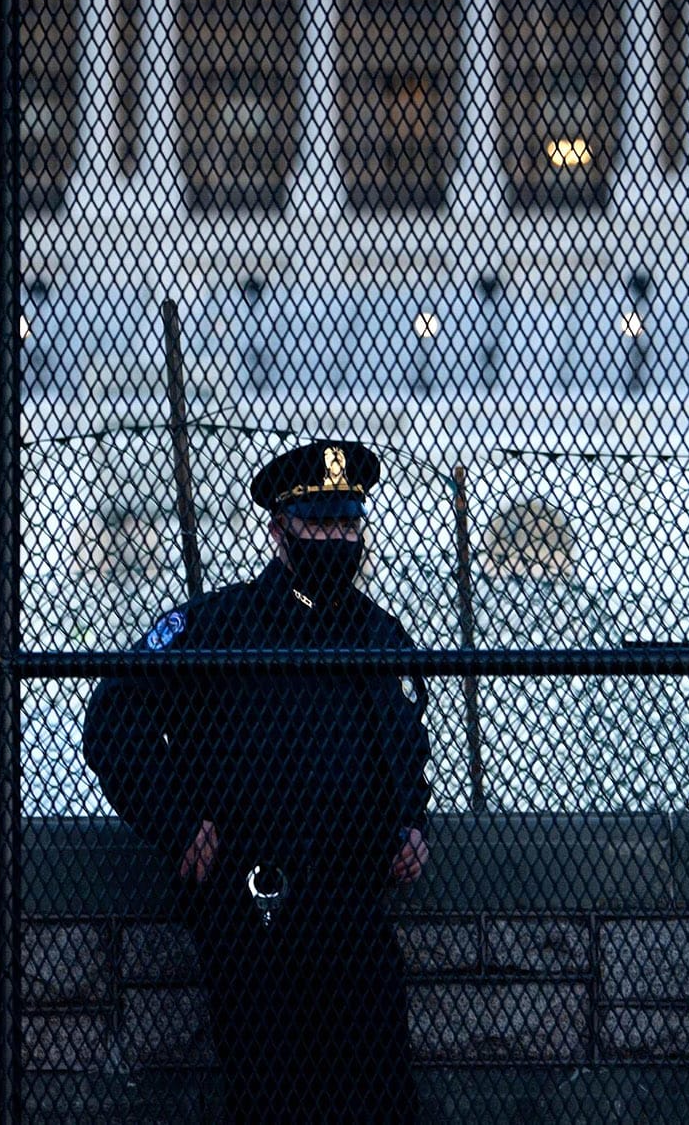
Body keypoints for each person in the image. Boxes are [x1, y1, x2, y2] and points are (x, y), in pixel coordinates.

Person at [83, 440, 430, 1125]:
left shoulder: (377, 633)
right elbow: (113, 715)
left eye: (347, 525)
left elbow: (406, 748)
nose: (338, 540)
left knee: (381, 1092)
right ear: (279, 533)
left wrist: (415, 826)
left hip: (351, 899)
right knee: (271, 1093)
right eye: (319, 526)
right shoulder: (219, 626)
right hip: (253, 904)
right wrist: (177, 822)